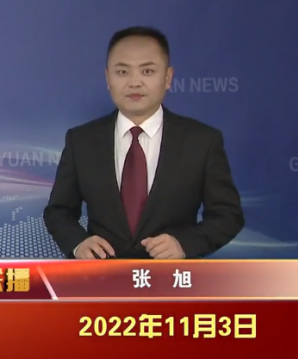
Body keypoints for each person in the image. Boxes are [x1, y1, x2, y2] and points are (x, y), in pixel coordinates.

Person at [43, 26, 244, 259]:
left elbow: (228, 215)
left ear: (167, 77)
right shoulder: (81, 141)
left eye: (147, 71)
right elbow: (59, 211)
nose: (134, 82)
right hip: (102, 276)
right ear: (107, 78)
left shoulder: (202, 141)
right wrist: (78, 243)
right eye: (122, 72)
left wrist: (185, 245)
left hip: (172, 277)